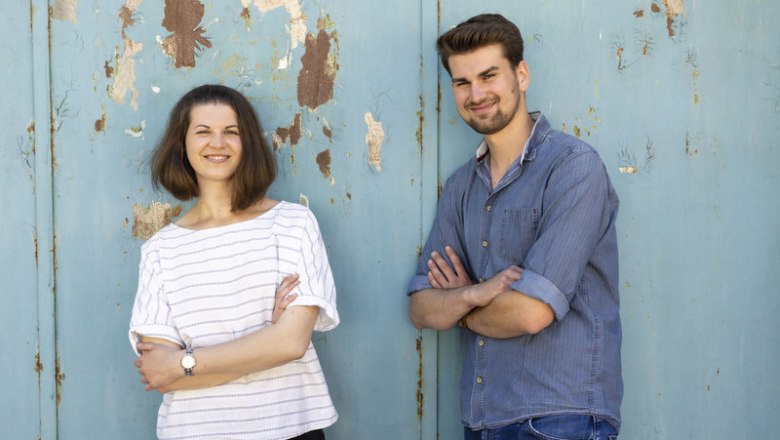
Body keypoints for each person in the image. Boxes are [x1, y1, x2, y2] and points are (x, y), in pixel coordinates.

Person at [407, 14, 622, 439]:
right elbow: (421, 308)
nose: (477, 94)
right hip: (482, 420)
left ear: (520, 75)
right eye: (462, 82)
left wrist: (460, 309)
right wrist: (475, 293)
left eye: (489, 75)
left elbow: (530, 313)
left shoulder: (573, 168)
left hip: (562, 418)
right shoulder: (460, 187)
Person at [129, 84, 339, 440]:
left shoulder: (292, 224)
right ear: (182, 145)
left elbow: (290, 344)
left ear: (248, 144)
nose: (218, 143)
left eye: (231, 132)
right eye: (203, 132)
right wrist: (264, 342)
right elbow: (159, 373)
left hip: (287, 429)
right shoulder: (160, 250)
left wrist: (186, 362)